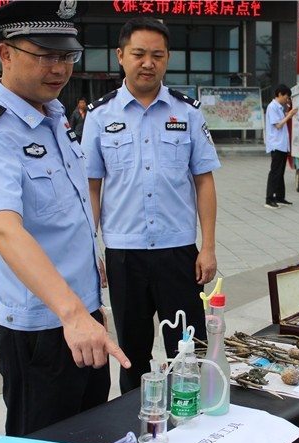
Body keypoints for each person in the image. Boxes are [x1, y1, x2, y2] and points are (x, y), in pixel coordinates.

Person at [0, 0, 131, 437]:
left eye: (66, 55)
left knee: (89, 438)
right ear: (6, 54)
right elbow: (4, 229)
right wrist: (73, 312)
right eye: (45, 56)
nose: (58, 68)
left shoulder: (57, 117)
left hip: (81, 320)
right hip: (41, 330)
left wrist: (89, 302)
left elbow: (68, 216)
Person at [81, 17, 220, 392]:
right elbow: (91, 187)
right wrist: (88, 249)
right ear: (120, 56)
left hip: (178, 253)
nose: (148, 63)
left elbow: (204, 181)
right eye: (139, 54)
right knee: (132, 351)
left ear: (167, 58)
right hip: (124, 254)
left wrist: (207, 247)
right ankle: (137, 422)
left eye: (157, 55)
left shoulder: (187, 112)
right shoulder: (99, 116)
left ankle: (193, 421)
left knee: (190, 347)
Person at [264, 84, 297, 209]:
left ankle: (279, 197)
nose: (287, 100)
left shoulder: (278, 108)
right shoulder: (272, 107)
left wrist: (287, 114)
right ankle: (269, 198)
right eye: (286, 97)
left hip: (282, 145)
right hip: (276, 145)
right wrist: (289, 116)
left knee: (280, 172)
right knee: (275, 172)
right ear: (280, 95)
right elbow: (277, 125)